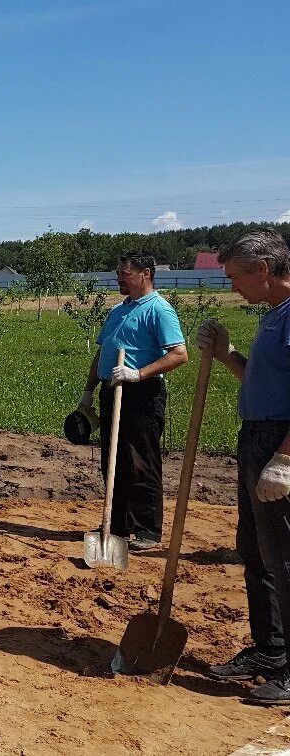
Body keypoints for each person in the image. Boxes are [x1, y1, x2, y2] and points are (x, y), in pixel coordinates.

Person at [196, 229, 290, 704]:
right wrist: (227, 352)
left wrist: (285, 459)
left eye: (235, 277)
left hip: (280, 445)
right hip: (256, 437)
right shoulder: (275, 316)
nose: (232, 286)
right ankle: (270, 650)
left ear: (265, 270)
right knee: (255, 550)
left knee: (284, 557)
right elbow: (260, 378)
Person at [76, 253, 188, 550]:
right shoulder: (118, 310)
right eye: (118, 272)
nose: (119, 277)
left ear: (145, 274)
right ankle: (116, 524)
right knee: (113, 459)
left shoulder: (159, 310)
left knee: (141, 460)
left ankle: (146, 529)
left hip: (142, 393)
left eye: (124, 273)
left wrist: (138, 373)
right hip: (112, 390)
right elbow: (101, 354)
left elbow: (179, 354)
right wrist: (88, 391)